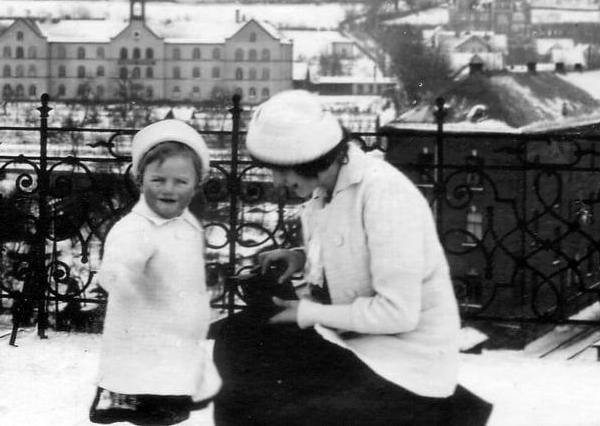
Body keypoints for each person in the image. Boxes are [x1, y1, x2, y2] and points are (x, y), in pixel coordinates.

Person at [212, 90, 492, 426]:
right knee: (237, 337)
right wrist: (299, 258)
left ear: (309, 159)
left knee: (279, 394)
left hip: (406, 364)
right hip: (359, 342)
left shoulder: (383, 193)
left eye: (281, 170)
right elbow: (352, 251)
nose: (277, 182)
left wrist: (308, 313)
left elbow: (398, 314)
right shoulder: (327, 189)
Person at [90, 119, 221, 425]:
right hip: (140, 345)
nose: (168, 189)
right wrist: (131, 282)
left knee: (170, 408)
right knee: (148, 409)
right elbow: (112, 275)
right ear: (140, 180)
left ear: (196, 185)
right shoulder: (135, 229)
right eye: (158, 180)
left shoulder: (188, 225)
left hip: (177, 344)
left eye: (180, 181)